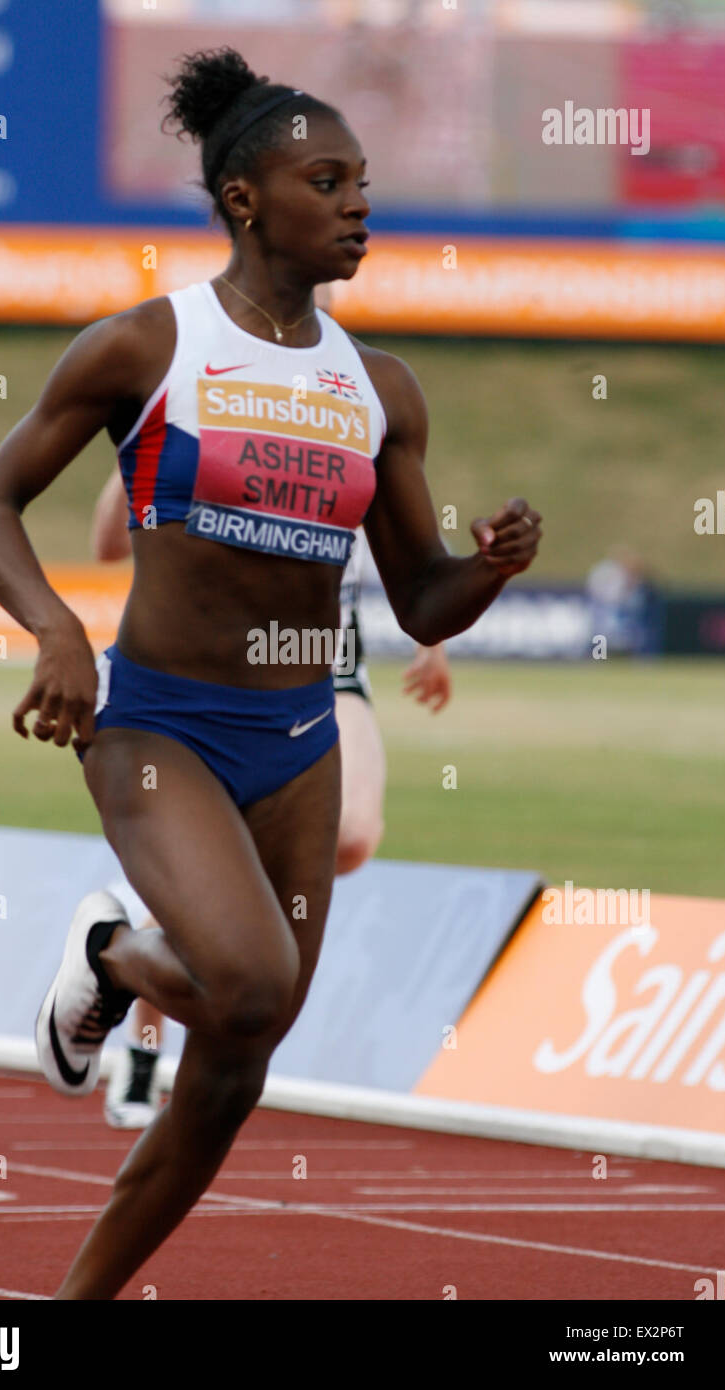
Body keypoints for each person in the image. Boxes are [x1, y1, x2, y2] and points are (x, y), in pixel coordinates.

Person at [0, 47, 542, 1300]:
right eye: (324, 181)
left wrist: (487, 568)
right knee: (248, 979)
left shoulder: (378, 388)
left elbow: (421, 590)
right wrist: (58, 632)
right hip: (154, 721)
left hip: (297, 742)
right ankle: (111, 949)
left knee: (240, 1052)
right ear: (242, 198)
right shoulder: (144, 347)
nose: (355, 205)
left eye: (362, 183)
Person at [91, 473, 452, 1128]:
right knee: (216, 886)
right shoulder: (209, 431)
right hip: (224, 679)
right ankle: (143, 1050)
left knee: (353, 837)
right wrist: (129, 458)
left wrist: (433, 642)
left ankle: (181, 915)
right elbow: (108, 547)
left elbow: (420, 561)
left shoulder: (350, 432)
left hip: (329, 670)